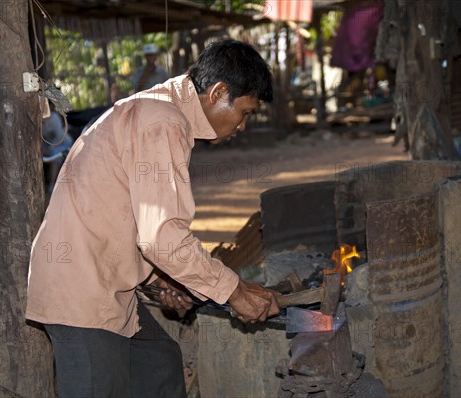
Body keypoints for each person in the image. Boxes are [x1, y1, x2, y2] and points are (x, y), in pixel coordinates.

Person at [26, 39, 280, 397]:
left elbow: (132, 217)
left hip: (105, 280)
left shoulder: (159, 110)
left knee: (158, 365)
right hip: (82, 290)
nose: (242, 126)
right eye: (245, 112)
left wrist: (165, 278)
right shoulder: (163, 122)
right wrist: (233, 291)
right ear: (218, 92)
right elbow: (162, 237)